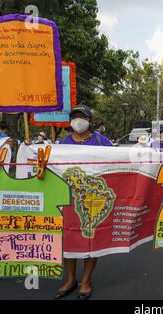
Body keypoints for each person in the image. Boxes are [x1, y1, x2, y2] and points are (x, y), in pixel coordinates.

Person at [55, 104, 113, 301]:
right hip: (68, 198)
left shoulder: (101, 141)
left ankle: (86, 281)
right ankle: (70, 279)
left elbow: (116, 162)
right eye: (75, 116)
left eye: (82, 116)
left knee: (91, 239)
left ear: (89, 120)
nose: (78, 120)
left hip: (92, 198)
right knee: (68, 238)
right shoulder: (62, 143)